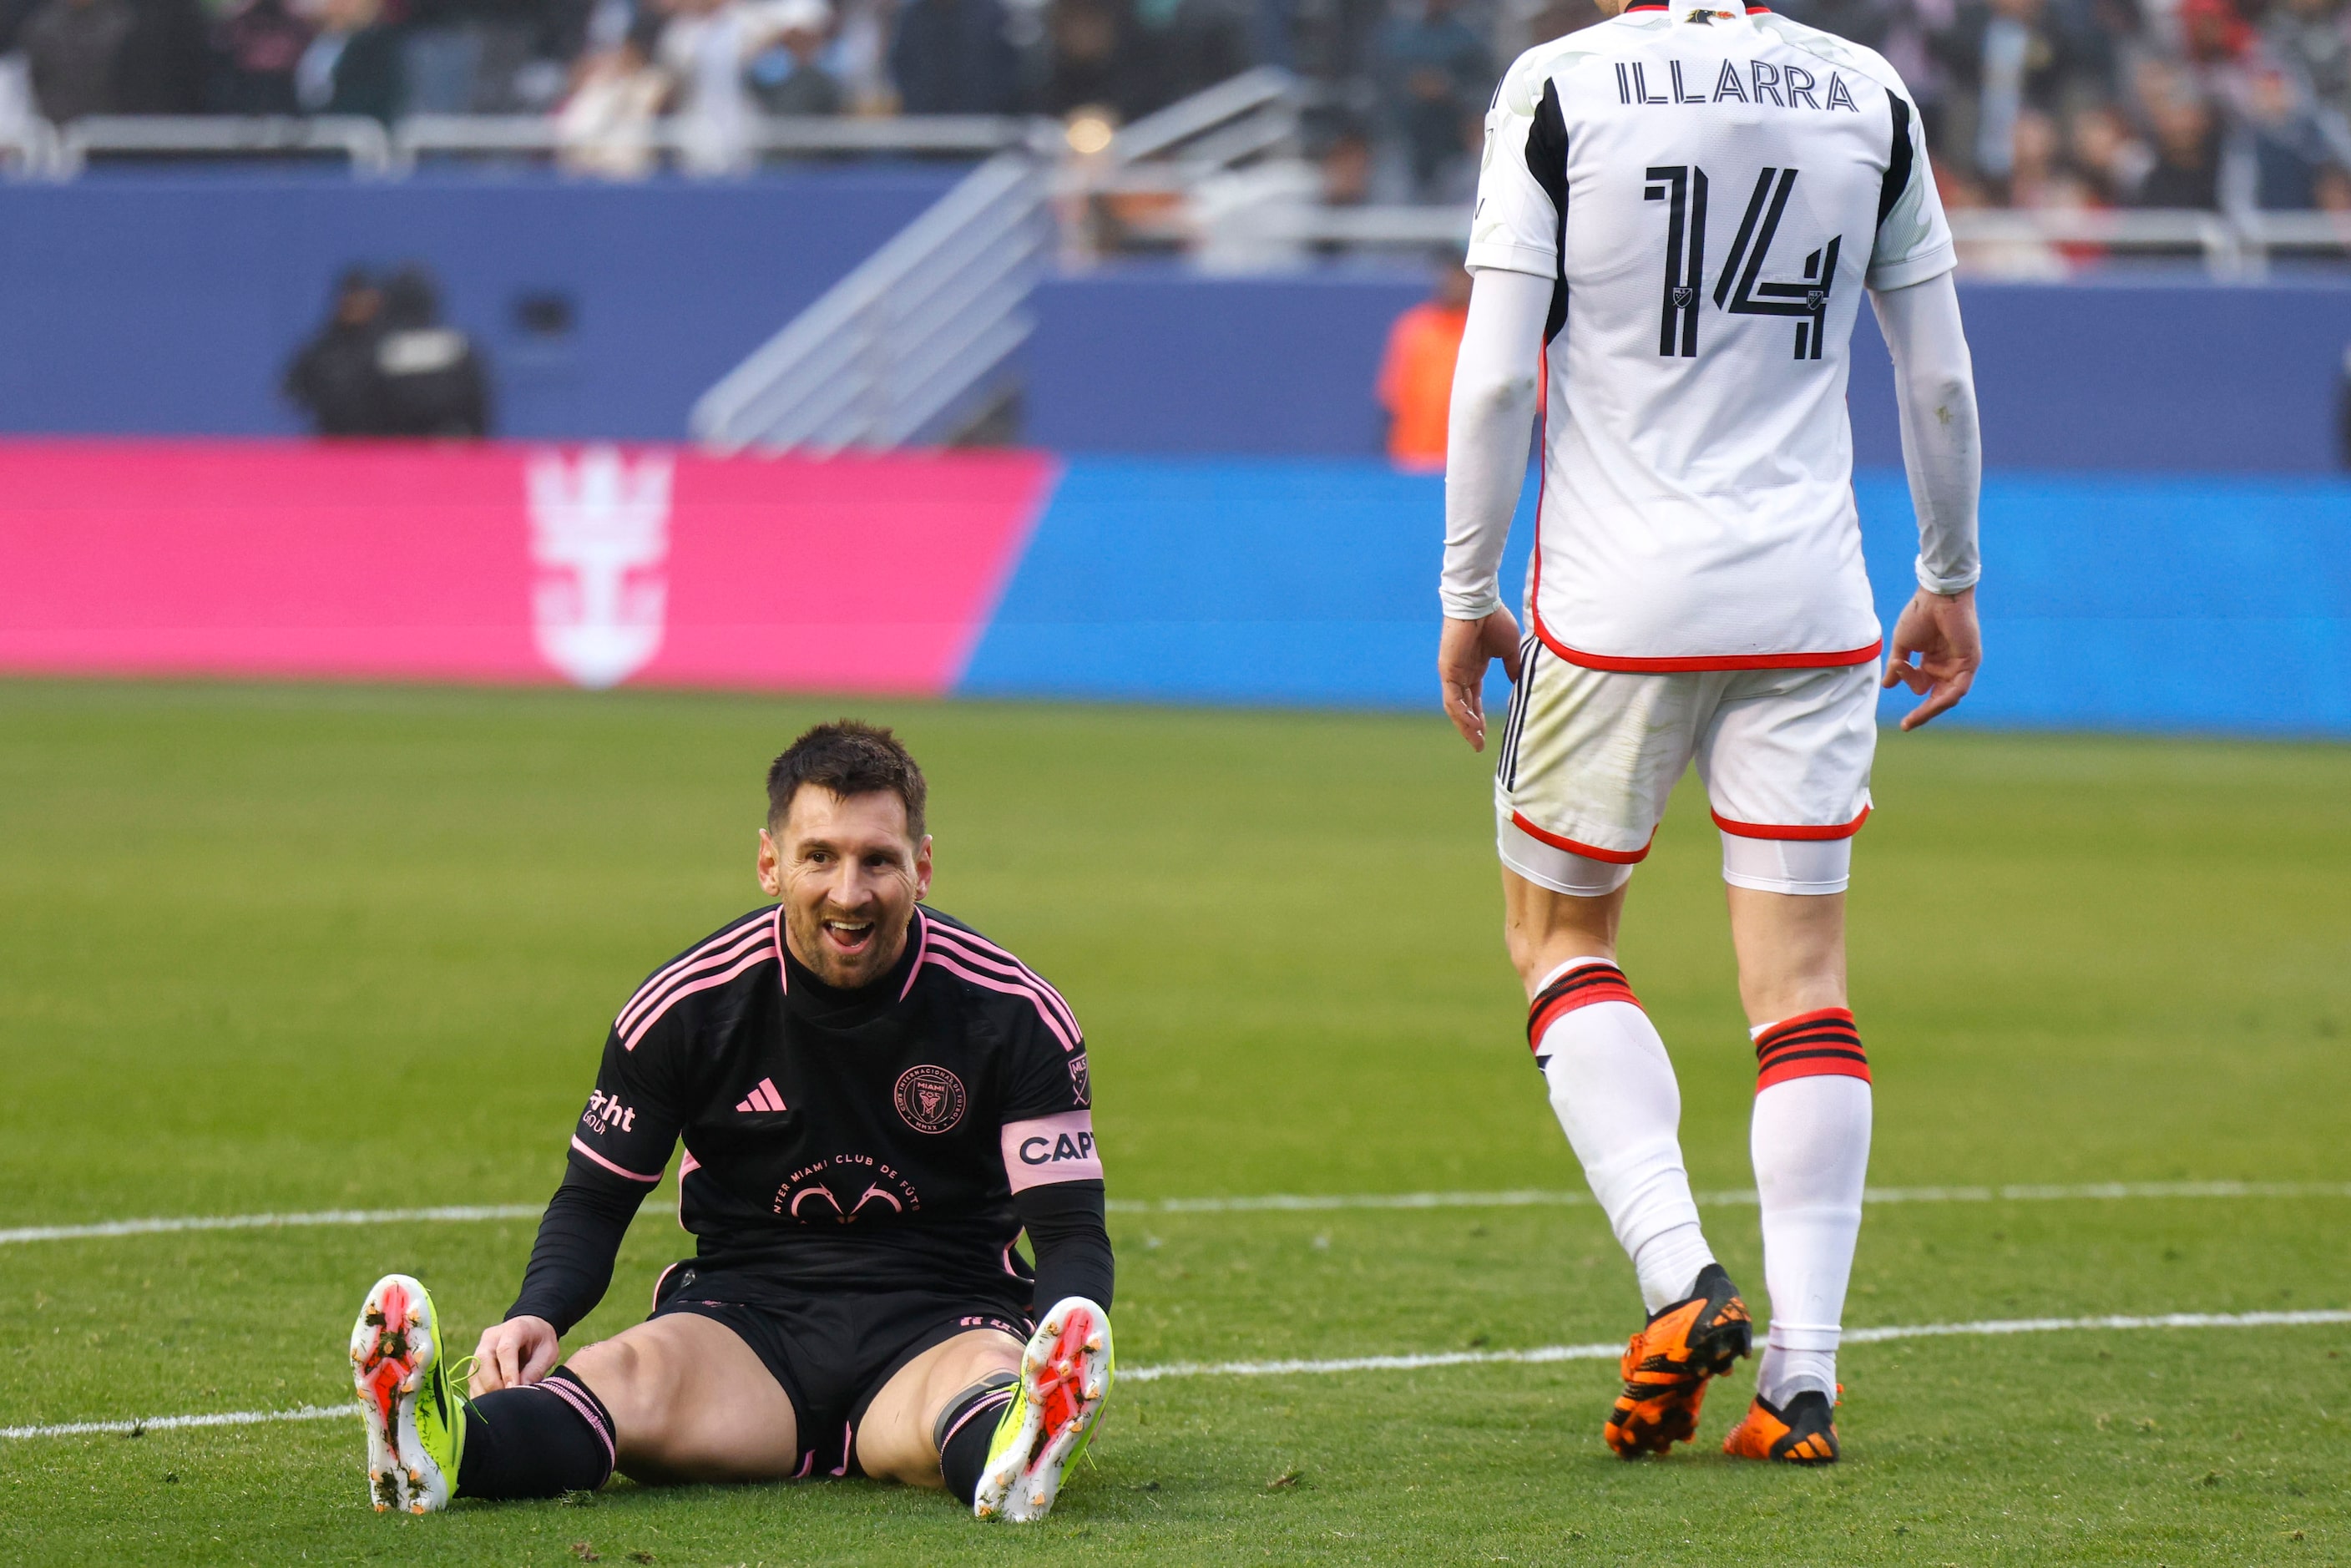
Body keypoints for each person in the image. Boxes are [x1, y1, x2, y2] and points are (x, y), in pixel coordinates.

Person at [1438, 0, 1982, 1465]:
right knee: (1802, 983)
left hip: (1613, 606)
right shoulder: (1869, 94)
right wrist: (1949, 575)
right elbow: (1933, 374)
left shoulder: (1558, 86)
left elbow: (1494, 374)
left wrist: (1465, 587)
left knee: (1558, 936)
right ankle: (1800, 1381)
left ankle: (1682, 1276)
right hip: (1814, 605)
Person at [350, 722, 1115, 1523]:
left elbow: (1070, 1235)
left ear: (921, 867)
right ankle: (436, 1452)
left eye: (877, 860)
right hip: (746, 1322)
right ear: (769, 863)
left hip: (942, 1315)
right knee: (625, 1377)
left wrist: (1060, 1340)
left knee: (983, 1383)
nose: (848, 893)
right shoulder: (686, 1008)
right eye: (819, 855)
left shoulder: (1015, 1013)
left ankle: (1021, 1438)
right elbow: (594, 1202)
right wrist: (537, 1311)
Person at [1376, 251, 1474, 470]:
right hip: (1413, 458)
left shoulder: (1486, 330)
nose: (1456, 284)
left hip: (1469, 464)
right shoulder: (1413, 326)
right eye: (1452, 275)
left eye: (1463, 277)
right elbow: (1393, 398)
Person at [372, 266, 492, 438]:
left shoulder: (377, 353)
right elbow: (479, 413)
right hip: (447, 450)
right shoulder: (460, 349)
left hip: (400, 453)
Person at [283, 267, 387, 438]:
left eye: (363, 299)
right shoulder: (322, 349)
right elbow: (291, 390)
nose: (357, 305)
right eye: (351, 297)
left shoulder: (390, 345)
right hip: (333, 441)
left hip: (381, 444)